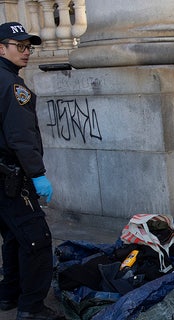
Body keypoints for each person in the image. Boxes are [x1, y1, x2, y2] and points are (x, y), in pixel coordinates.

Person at [0, 22, 63, 320]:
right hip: (11, 177)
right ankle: (32, 307)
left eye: (29, 47)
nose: (26, 52)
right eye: (19, 46)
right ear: (1, 48)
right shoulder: (12, 86)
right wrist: (36, 174)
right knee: (36, 239)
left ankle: (9, 294)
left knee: (14, 237)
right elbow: (20, 136)